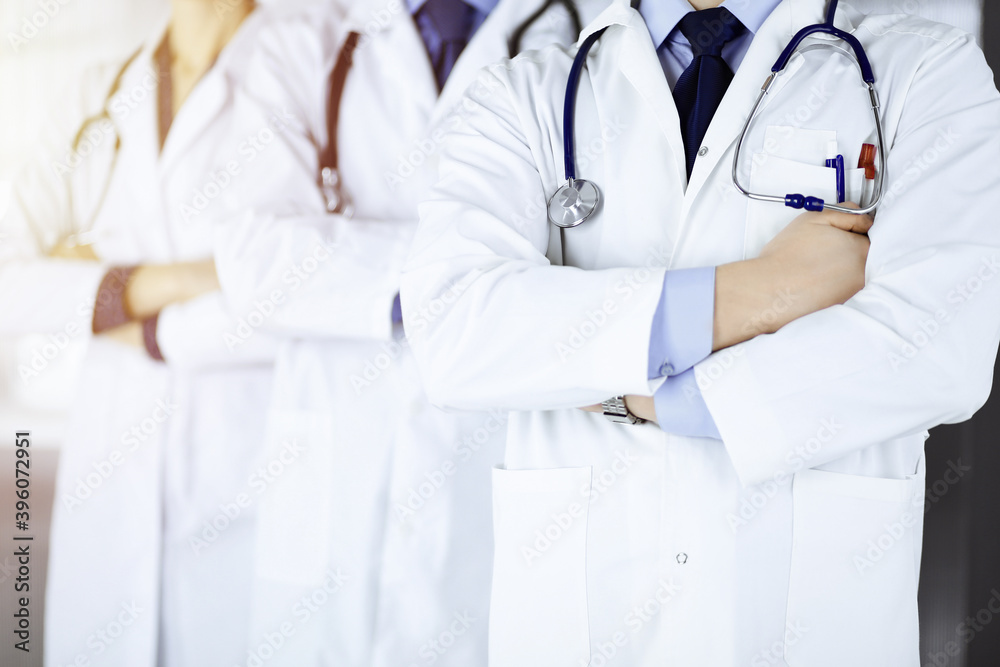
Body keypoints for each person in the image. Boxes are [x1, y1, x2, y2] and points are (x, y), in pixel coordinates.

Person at [400, 0, 1000, 664]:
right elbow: (455, 328)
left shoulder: (924, 73)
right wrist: (766, 290)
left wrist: (647, 397)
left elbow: (940, 344)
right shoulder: (525, 94)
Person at [210, 0, 608, 664]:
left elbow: (595, 261)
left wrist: (365, 263)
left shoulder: (586, 34)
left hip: (489, 452)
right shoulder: (300, 35)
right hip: (334, 442)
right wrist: (469, 278)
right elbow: (253, 256)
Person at [2, 1, 283, 664]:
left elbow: (311, 297)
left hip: (250, 486)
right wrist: (184, 279)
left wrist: (103, 299)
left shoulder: (303, 82)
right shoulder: (98, 92)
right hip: (108, 488)